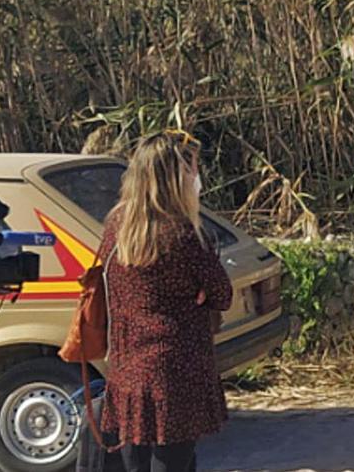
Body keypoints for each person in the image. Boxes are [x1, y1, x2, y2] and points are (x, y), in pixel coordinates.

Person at [96, 130, 232, 472]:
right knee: (175, 462)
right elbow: (222, 294)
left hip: (127, 368)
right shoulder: (184, 233)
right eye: (193, 169)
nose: (196, 177)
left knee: (138, 462)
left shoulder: (116, 226)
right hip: (178, 370)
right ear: (175, 176)